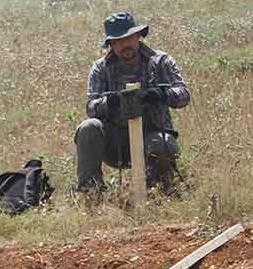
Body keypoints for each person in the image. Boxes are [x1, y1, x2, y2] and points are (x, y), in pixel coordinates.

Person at [74, 12, 190, 193]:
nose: (124, 44)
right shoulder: (100, 68)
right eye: (118, 41)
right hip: (115, 141)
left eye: (128, 38)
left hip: (152, 134)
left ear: (138, 36)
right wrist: (110, 101)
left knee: (162, 143)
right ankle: (91, 194)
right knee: (88, 128)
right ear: (111, 44)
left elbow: (183, 95)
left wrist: (161, 94)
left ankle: (159, 192)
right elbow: (91, 107)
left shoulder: (160, 61)